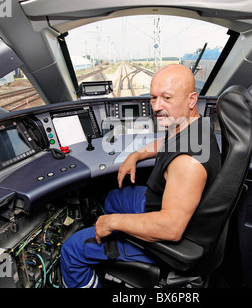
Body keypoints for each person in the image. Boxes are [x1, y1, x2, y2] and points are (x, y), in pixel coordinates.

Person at [60, 64, 221, 288]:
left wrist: (113, 222)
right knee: (112, 198)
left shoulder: (188, 163)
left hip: (169, 236)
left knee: (71, 249)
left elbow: (170, 228)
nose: (156, 107)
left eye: (166, 98)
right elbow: (168, 142)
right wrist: (137, 154)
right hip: (158, 202)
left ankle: (106, 254)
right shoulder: (193, 126)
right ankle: (110, 254)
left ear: (192, 99)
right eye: (153, 98)